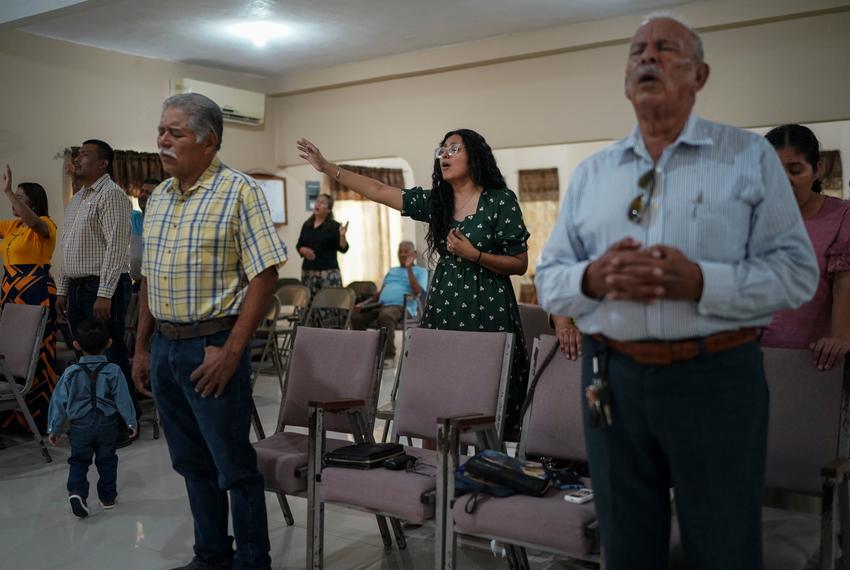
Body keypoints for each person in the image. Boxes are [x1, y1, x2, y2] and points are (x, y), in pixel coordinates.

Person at [535, 14, 818, 569]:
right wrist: (590, 279)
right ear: (624, 78)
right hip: (610, 379)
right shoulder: (594, 174)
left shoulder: (746, 157)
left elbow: (797, 273)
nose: (646, 57)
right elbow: (549, 279)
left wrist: (704, 282)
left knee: (723, 548)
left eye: (664, 48)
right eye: (637, 49)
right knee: (627, 548)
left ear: (700, 75)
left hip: (716, 378)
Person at [133, 93, 287, 570]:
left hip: (211, 348)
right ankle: (211, 556)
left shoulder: (239, 191)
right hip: (164, 349)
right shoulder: (158, 196)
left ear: (208, 140)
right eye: (161, 130)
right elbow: (149, 278)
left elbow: (265, 277)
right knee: (190, 464)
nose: (162, 140)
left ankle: (252, 562)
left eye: (174, 132)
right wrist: (141, 348)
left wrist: (230, 351)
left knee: (234, 468)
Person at [297, 128, 531, 436]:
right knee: (440, 399)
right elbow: (379, 191)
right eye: (442, 150)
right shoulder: (438, 203)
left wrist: (475, 255)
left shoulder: (500, 201)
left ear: (474, 157)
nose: (444, 155)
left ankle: (486, 471)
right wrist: (328, 168)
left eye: (453, 149)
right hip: (444, 309)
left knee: (487, 398)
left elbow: (519, 263)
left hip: (488, 310)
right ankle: (442, 476)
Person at [57, 138, 136, 445]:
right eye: (76, 154)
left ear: (102, 163)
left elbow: (117, 247)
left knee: (111, 359)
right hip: (77, 288)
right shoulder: (78, 199)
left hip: (101, 289)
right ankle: (93, 421)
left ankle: (122, 426)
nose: (77, 159)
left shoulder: (112, 195)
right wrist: (63, 289)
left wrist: (105, 293)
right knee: (84, 358)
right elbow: (67, 248)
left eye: (85, 155)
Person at [761, 124, 850, 371]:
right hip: (755, 354)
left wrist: (841, 336)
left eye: (795, 170)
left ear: (817, 169)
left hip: (816, 359)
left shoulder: (842, 216)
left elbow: (845, 283)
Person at [46, 319, 137, 519]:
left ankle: (77, 493)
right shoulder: (114, 370)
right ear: (109, 343)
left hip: (80, 426)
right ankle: (107, 498)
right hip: (107, 424)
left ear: (76, 345)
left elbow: (59, 401)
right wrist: (131, 423)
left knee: (78, 460)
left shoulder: (71, 372)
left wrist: (54, 428)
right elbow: (123, 399)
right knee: (107, 460)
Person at [0, 166, 59, 433]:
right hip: (10, 289)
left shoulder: (45, 223)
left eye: (20, 197)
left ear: (32, 202)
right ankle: (11, 418)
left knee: (36, 352)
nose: (14, 201)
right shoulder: (12, 226)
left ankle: (39, 418)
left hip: (35, 288)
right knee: (11, 350)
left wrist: (7, 191)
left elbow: (35, 223)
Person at [350, 240, 429, 365]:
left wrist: (409, 269)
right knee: (355, 316)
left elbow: (418, 292)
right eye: (400, 252)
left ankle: (389, 356)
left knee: (385, 315)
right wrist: (364, 303)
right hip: (381, 305)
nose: (402, 255)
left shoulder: (421, 271)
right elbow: (380, 293)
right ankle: (363, 352)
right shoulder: (392, 271)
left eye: (406, 252)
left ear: (413, 254)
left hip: (402, 306)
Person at [296, 192, 349, 300]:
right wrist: (303, 250)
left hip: (328, 273)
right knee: (309, 306)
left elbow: (344, 248)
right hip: (308, 272)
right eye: (317, 201)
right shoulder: (307, 225)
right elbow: (299, 245)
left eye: (322, 202)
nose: (318, 204)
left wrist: (342, 236)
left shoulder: (335, 226)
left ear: (329, 210)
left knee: (328, 305)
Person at [130, 178, 159, 285]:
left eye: (148, 193)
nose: (142, 195)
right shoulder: (133, 217)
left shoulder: (164, 224)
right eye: (142, 191)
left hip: (155, 284)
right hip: (134, 284)